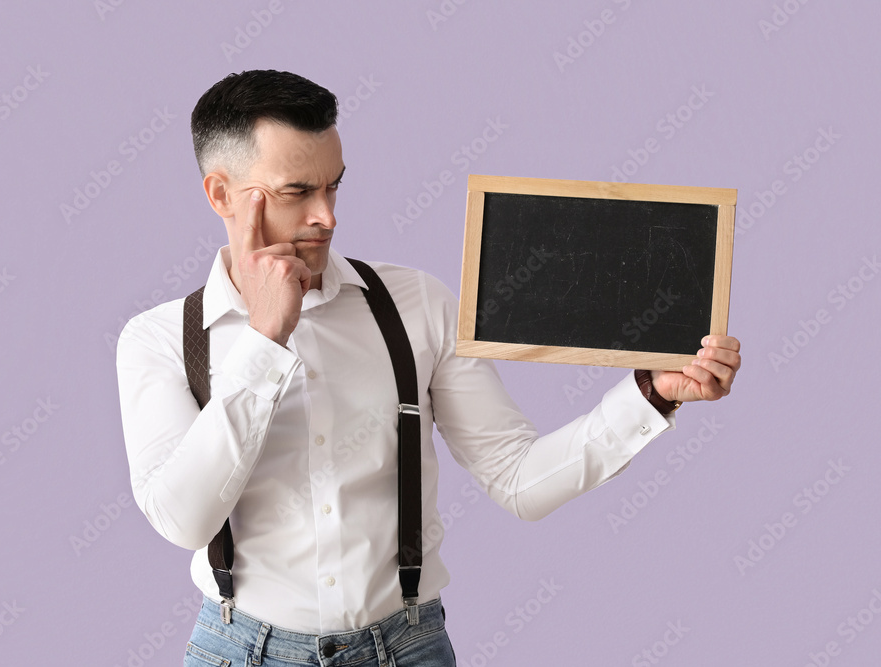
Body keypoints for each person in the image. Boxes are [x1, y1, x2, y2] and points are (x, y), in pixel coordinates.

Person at [115, 69, 741, 667]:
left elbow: (519, 480)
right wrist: (265, 337)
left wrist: (652, 397)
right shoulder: (162, 340)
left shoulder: (415, 305)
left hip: (405, 648)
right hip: (239, 651)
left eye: (334, 185)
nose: (326, 216)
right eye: (297, 192)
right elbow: (184, 519)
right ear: (221, 195)